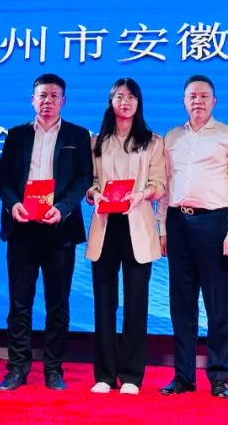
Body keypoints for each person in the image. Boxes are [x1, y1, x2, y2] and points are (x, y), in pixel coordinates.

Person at [0, 73, 92, 391]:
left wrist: (62, 208)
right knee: (19, 303)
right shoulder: (17, 134)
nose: (47, 101)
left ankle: (53, 369)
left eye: (54, 96)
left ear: (64, 101)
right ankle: (17, 368)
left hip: (59, 228)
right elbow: (2, 179)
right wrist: (13, 204)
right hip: (22, 227)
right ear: (32, 100)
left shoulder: (78, 135)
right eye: (42, 96)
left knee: (57, 303)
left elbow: (83, 179)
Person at [158, 75, 228, 399]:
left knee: (217, 304)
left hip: (215, 223)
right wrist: (162, 229)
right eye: (192, 96)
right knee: (181, 305)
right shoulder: (172, 137)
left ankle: (219, 377)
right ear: (184, 101)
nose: (197, 101)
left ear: (214, 101)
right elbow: (165, 188)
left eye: (203, 96)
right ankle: (183, 376)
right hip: (177, 223)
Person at [84, 78, 166, 395]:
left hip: (137, 226)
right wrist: (95, 194)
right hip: (106, 226)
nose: (125, 102)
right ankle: (104, 375)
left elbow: (159, 183)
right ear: (111, 102)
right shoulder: (96, 142)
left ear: (138, 102)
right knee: (104, 304)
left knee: (136, 303)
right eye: (119, 96)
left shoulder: (152, 141)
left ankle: (132, 375)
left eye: (131, 97)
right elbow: (90, 182)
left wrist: (143, 193)